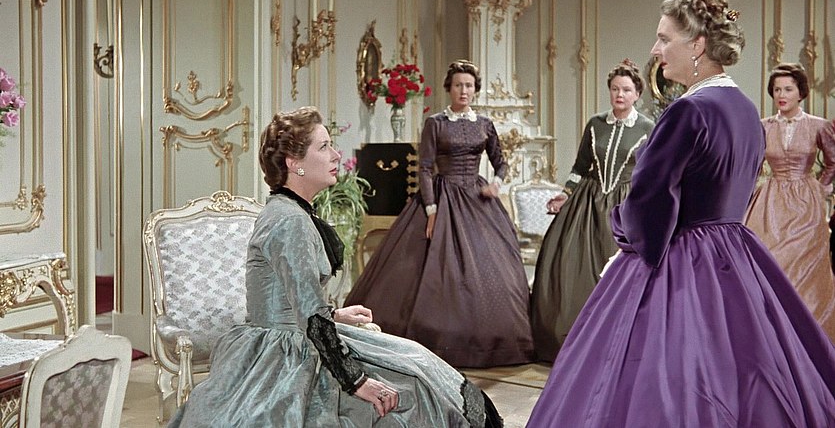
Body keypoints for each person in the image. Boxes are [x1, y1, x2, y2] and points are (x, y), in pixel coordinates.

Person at [527, 0, 835, 426]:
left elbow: (648, 202)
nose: (655, 50)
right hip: (735, 254)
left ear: (698, 45)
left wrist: (626, 237)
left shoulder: (688, 111)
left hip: (678, 257)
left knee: (653, 376)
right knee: (745, 367)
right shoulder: (747, 111)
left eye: (664, 38)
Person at [168, 107, 502, 427]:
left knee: (415, 362)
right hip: (286, 354)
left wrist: (336, 315)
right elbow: (309, 318)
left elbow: (291, 298)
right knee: (413, 392)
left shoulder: (293, 211)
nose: (336, 155)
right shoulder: (289, 221)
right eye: (324, 147)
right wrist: (356, 381)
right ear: (294, 163)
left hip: (298, 334)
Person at [344, 60, 534, 368]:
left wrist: (496, 185)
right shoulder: (436, 123)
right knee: (434, 269)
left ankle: (486, 340)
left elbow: (500, 162)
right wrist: (431, 210)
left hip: (478, 200)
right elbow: (424, 168)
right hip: (442, 198)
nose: (463, 91)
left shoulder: (484, 124)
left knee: (491, 270)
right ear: (449, 88)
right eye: (458, 85)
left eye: (468, 86)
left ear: (475, 89)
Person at [529, 59, 655, 362]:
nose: (620, 95)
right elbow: (579, 167)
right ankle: (572, 342)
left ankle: (616, 346)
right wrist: (565, 194)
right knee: (572, 268)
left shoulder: (647, 127)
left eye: (626, 90)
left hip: (625, 206)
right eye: (615, 89)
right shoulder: (596, 123)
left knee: (618, 272)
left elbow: (651, 172)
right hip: (588, 203)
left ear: (637, 94)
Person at [743, 62, 835, 342]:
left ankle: (806, 336)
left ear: (801, 93)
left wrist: (821, 188)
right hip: (770, 202)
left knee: (804, 267)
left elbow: (832, 162)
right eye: (776, 90)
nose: (781, 95)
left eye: (787, 89)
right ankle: (770, 335)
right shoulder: (762, 126)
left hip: (806, 203)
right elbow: (753, 165)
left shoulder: (819, 125)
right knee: (770, 262)